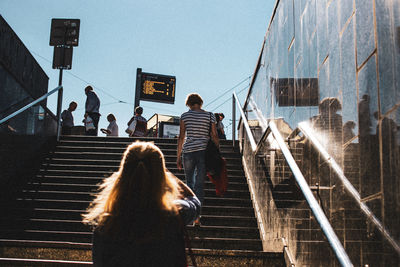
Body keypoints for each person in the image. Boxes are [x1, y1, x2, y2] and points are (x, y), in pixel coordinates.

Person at [83, 142, 201, 266]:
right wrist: (165, 173)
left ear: (123, 174)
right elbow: (194, 200)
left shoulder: (104, 223)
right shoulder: (176, 213)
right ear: (161, 176)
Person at [177, 93, 219, 225]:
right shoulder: (210, 115)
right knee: (199, 185)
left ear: (188, 103)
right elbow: (214, 134)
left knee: (189, 183)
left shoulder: (184, 116)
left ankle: (189, 215)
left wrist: (178, 156)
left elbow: (181, 136)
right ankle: (197, 217)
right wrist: (217, 151)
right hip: (203, 151)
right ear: (200, 102)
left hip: (188, 151)